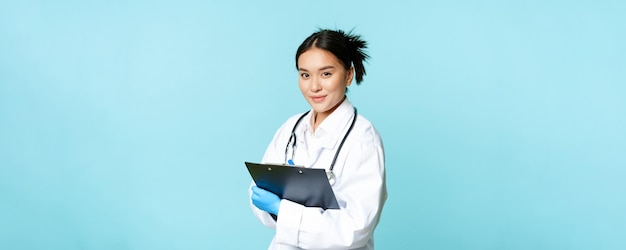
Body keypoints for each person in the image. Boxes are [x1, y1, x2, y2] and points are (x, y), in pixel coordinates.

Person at [249, 28, 387, 250]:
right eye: (305, 75)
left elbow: (356, 229)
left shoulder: (362, 138)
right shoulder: (291, 128)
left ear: (349, 75)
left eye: (326, 74)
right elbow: (259, 194)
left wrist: (283, 208)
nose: (314, 86)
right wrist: (272, 207)